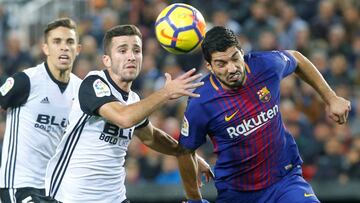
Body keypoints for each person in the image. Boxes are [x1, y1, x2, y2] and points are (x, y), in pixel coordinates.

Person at [177, 26, 351, 203]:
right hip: (237, 194)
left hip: (284, 181)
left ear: (241, 52)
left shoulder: (265, 65)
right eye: (221, 64)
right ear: (209, 66)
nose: (231, 68)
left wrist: (331, 97)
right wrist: (194, 200)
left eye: (235, 58)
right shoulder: (200, 102)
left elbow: (297, 59)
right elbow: (184, 151)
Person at [44, 24, 213, 203]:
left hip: (114, 197)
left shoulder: (132, 99)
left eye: (136, 50)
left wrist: (188, 155)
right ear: (107, 60)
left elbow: (151, 137)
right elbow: (124, 118)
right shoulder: (94, 83)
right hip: (71, 197)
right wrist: (166, 93)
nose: (131, 56)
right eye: (122, 50)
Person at [0, 18, 82, 203]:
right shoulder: (26, 80)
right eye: (57, 41)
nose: (64, 47)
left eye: (70, 42)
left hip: (56, 188)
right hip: (19, 184)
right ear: (45, 48)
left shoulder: (81, 90)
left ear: (78, 49)